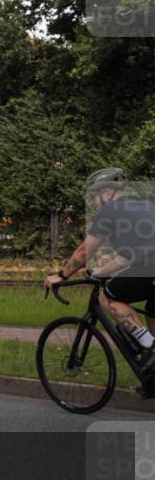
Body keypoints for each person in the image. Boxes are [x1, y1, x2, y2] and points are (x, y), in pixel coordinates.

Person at [44, 168, 155, 398]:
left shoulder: (110, 211)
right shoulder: (141, 206)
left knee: (109, 296)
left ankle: (150, 347)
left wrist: (62, 275)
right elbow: (126, 256)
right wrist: (100, 272)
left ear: (107, 192)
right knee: (152, 311)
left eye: (93, 196)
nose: (93, 202)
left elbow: (84, 251)